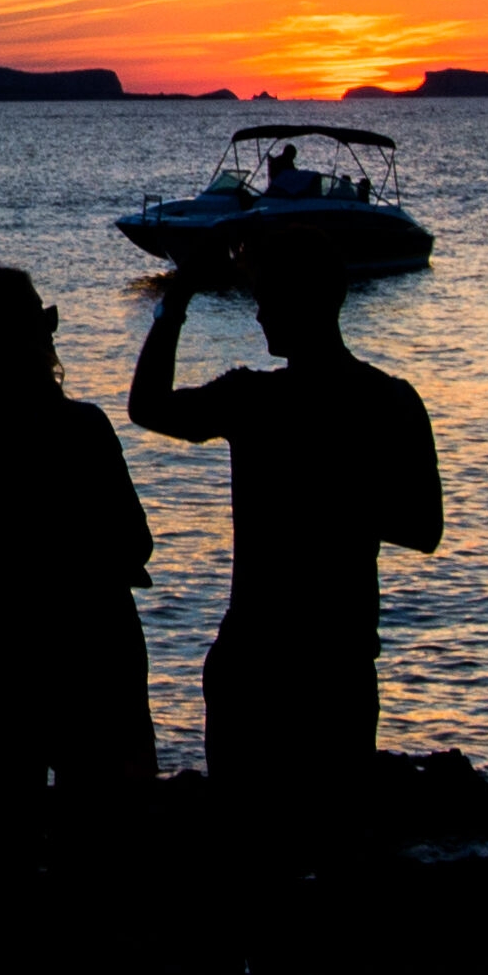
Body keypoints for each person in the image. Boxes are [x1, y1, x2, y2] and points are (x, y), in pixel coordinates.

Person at [129, 234, 440, 819]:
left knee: (249, 849)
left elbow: (148, 405)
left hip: (265, 658)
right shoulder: (391, 400)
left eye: (267, 297)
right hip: (335, 658)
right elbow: (424, 527)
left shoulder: (254, 399)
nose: (259, 310)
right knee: (337, 839)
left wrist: (177, 300)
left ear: (298, 304)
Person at [0, 267, 155, 856]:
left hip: (0, 639)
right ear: (27, 342)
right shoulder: (81, 428)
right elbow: (135, 543)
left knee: (11, 836)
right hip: (91, 639)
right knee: (97, 839)